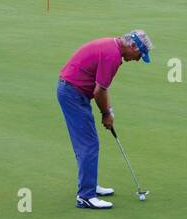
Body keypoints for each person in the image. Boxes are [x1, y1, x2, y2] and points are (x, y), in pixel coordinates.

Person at [57, 30, 152, 209]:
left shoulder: (113, 47)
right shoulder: (112, 56)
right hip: (72, 93)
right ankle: (86, 196)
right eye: (140, 54)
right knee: (89, 144)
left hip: (73, 91)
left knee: (88, 142)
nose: (138, 59)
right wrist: (106, 114)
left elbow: (102, 89)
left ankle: (89, 184)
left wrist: (108, 110)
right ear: (133, 46)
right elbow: (99, 91)